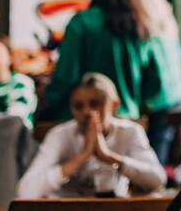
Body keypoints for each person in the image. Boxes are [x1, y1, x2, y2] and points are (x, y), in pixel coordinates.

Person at [42, 0, 160, 121]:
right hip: (129, 119)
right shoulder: (141, 24)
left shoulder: (81, 22)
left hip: (83, 121)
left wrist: (48, 100)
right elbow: (155, 81)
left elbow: (66, 77)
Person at [17, 72, 165, 198]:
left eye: (95, 104)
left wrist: (108, 156)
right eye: (78, 106)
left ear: (114, 105)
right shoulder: (60, 135)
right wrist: (82, 156)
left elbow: (158, 180)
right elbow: (25, 191)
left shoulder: (129, 131)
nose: (86, 112)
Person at [128, 0, 181, 165]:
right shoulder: (168, 26)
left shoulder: (147, 37)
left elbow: (156, 80)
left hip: (160, 103)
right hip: (178, 96)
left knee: (153, 158)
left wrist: (141, 104)